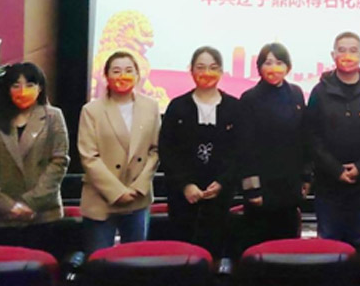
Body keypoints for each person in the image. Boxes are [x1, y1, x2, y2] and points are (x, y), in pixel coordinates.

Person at [306, 32, 360, 248]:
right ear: (333, 55)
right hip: (328, 185)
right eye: (342, 50)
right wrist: (336, 170)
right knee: (329, 246)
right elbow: (312, 137)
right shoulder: (320, 92)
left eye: (353, 51)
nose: (347, 55)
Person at [0, 62, 70, 250]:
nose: (22, 91)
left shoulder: (53, 117)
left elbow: (59, 161)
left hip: (42, 213)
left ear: (40, 88)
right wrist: (8, 205)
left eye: (29, 85)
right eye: (16, 85)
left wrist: (29, 203)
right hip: (1, 214)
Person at [159, 46, 241, 257]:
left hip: (221, 196)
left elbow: (239, 151)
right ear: (191, 70)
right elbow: (167, 151)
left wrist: (222, 182)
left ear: (221, 71)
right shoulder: (177, 107)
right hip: (183, 197)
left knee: (216, 252)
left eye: (213, 67)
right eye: (201, 67)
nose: (207, 73)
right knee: (183, 255)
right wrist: (186, 185)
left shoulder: (234, 107)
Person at [78, 51, 161, 254]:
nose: (122, 76)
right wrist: (117, 192)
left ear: (138, 75)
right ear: (106, 76)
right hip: (101, 198)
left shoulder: (151, 107)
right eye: (116, 71)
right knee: (100, 262)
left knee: (135, 260)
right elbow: (89, 156)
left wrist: (138, 187)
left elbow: (156, 150)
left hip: (137, 197)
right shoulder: (91, 110)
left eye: (129, 70)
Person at [239, 43, 311, 247]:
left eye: (279, 62)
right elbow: (244, 148)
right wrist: (252, 189)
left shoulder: (296, 94)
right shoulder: (249, 99)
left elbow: (304, 138)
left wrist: (306, 176)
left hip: (290, 184)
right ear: (259, 67)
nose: (273, 68)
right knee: (260, 246)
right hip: (262, 187)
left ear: (288, 66)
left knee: (288, 244)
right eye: (268, 63)